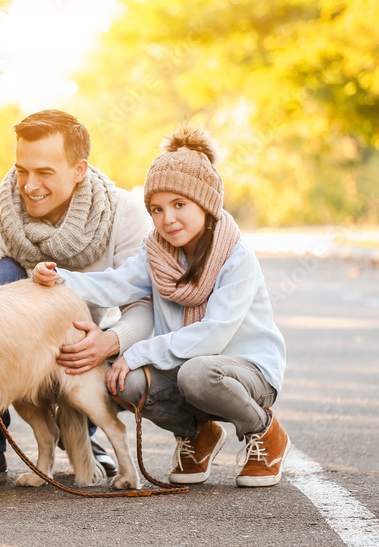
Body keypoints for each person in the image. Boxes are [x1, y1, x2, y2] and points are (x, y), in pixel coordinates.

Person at [33, 124, 289, 487]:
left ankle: (264, 431)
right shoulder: (156, 252)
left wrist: (137, 352)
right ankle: (197, 435)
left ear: (206, 203)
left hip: (248, 373)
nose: (167, 219)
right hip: (188, 369)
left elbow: (213, 336)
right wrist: (62, 277)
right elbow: (117, 283)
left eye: (179, 205)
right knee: (120, 382)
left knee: (197, 373)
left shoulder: (236, 257)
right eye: (156, 209)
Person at [0, 109, 153, 484]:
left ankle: (88, 439)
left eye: (44, 172)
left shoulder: (123, 214)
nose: (28, 185)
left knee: (129, 342)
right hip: (16, 346)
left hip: (87, 337)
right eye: (22, 170)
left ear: (79, 170)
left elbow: (145, 305)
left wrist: (109, 342)